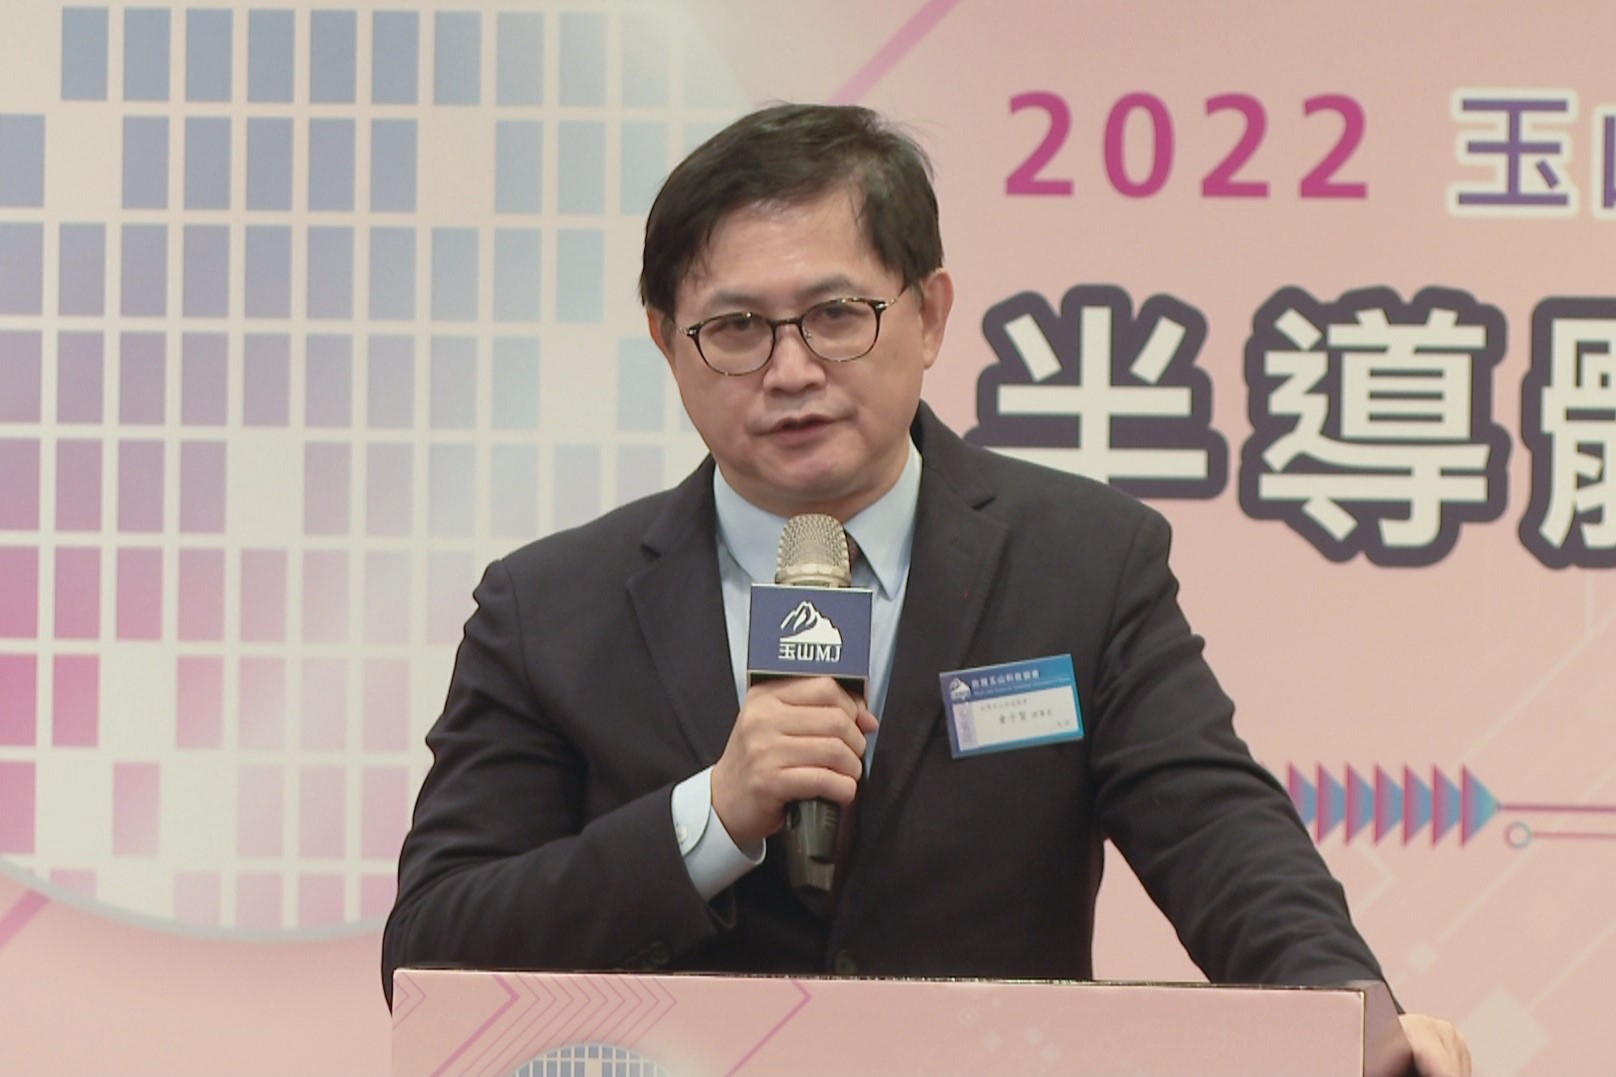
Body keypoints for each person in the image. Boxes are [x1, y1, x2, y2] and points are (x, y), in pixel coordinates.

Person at [382, 103, 1470, 1075]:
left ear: (930, 313)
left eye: (836, 314)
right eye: (736, 329)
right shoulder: (548, 609)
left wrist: (1358, 1022)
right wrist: (706, 818)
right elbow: (433, 950)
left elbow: (1221, 839)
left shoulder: (1081, 564)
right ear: (669, 344)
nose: (791, 369)